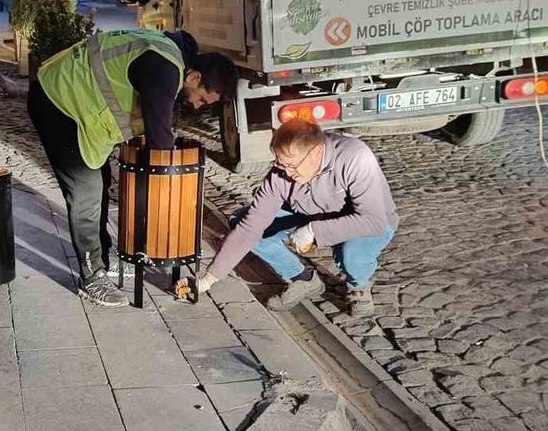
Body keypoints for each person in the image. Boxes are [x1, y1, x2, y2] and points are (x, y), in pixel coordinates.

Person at [29, 29, 238, 307]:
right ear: (194, 77)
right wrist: (168, 201)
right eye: (201, 99)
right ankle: (91, 276)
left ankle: (103, 257)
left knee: (100, 181)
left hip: (76, 105)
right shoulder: (165, 69)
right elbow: (159, 140)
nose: (197, 106)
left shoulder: (168, 56)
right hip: (58, 102)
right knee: (86, 191)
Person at [197, 121, 398, 316]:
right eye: (280, 163)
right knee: (241, 220)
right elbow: (250, 227)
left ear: (316, 152)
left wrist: (314, 231)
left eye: (292, 166)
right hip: (313, 212)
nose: (286, 173)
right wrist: (209, 279)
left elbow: (374, 221)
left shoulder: (356, 157)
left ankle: (359, 286)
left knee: (350, 255)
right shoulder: (282, 173)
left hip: (368, 221)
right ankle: (302, 278)